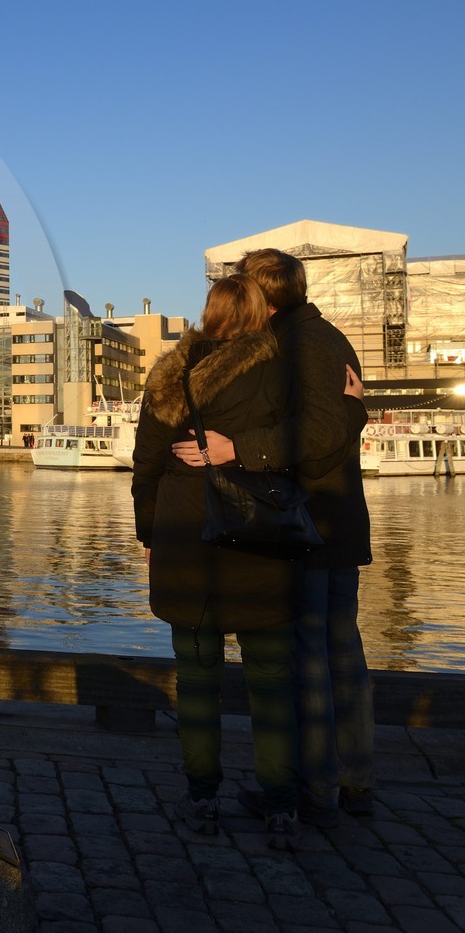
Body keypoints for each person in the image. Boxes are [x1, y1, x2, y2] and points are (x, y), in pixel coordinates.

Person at [172, 248, 375, 824]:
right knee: (341, 655)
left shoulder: (296, 343)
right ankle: (353, 782)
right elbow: (342, 414)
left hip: (306, 521)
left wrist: (239, 448)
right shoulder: (322, 334)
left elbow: (321, 428)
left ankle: (319, 791)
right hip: (333, 521)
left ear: (264, 294)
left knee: (310, 659)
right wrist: (358, 414)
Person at [131, 274, 304, 850]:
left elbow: (148, 466)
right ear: (260, 312)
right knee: (272, 681)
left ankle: (201, 796)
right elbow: (303, 444)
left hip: (185, 536)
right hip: (260, 536)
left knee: (197, 678)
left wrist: (150, 531)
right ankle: (280, 803)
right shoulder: (280, 371)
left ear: (208, 313)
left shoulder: (169, 376)